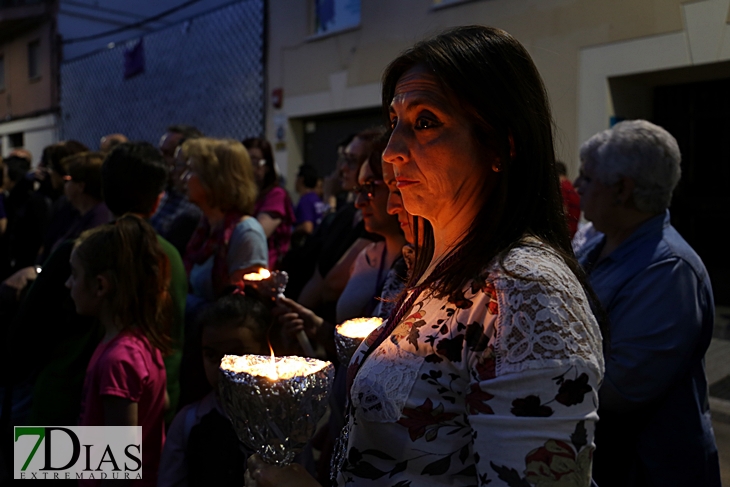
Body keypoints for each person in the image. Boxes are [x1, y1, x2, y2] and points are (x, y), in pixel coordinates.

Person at [249, 26, 604, 487]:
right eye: (395, 121)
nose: (392, 152)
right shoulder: (438, 268)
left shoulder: (528, 291)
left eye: (426, 122)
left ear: (500, 144)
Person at [575, 120, 721, 487]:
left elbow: (621, 388)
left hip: (648, 470)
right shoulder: (599, 244)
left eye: (588, 178)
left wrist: (538, 363)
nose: (577, 187)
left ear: (622, 190)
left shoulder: (669, 270)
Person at [69, 214, 171, 487]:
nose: (68, 284)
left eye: (75, 275)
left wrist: (36, 456)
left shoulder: (118, 359)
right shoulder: (141, 343)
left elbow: (119, 465)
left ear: (100, 285)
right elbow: (162, 403)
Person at [158, 290, 271, 487]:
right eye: (211, 355)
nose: (222, 367)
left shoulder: (279, 421)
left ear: (263, 353)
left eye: (236, 356)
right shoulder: (189, 423)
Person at [182, 138, 268, 309]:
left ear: (214, 179)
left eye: (192, 170)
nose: (184, 177)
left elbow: (244, 309)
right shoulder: (205, 227)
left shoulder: (246, 233)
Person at [243, 137, 295, 270]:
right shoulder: (242, 195)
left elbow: (255, 235)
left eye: (254, 161)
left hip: (265, 270)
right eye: (243, 161)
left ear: (266, 167)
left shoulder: (276, 195)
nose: (248, 167)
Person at [150, 125, 204, 241]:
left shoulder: (193, 209)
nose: (160, 159)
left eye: (168, 154)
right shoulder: (165, 193)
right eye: (160, 152)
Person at [293, 164, 327, 240]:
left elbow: (307, 227)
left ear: (301, 179)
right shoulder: (317, 199)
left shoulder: (306, 200)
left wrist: (292, 231)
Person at [556, 161, 581, 239]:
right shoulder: (571, 188)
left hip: (563, 235)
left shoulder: (561, 186)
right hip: (572, 235)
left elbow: (563, 210)